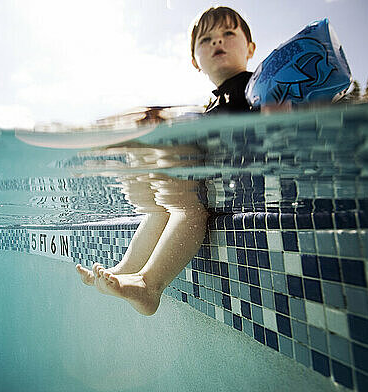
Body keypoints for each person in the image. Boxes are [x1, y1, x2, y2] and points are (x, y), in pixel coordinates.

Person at [75, 6, 257, 315]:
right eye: (207, 39)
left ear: (250, 48)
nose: (217, 42)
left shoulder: (254, 89)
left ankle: (150, 285)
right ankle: (127, 269)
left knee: (187, 207)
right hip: (207, 172)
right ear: (194, 60)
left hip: (230, 184)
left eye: (228, 33)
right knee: (159, 206)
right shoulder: (214, 103)